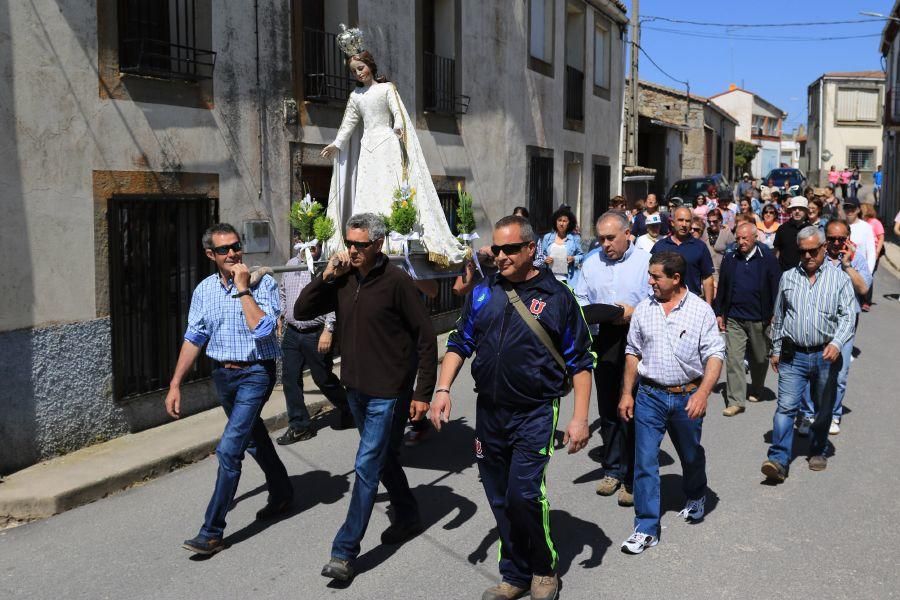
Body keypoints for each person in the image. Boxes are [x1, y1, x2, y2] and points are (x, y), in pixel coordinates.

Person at [430, 215, 594, 600]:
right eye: (496, 248)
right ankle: (515, 574)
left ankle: (543, 569)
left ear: (530, 250)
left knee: (524, 493)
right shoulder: (483, 293)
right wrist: (442, 389)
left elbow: (581, 363)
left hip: (535, 412)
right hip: (490, 413)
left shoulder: (558, 298)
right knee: (499, 495)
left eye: (509, 249)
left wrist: (580, 417)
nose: (499, 255)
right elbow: (459, 343)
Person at [295, 213, 437, 582]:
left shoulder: (398, 282)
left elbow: (426, 338)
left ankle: (344, 552)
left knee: (366, 463)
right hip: (355, 388)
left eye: (360, 245)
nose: (353, 251)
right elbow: (302, 310)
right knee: (384, 457)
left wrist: (423, 393)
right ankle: (407, 515)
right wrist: (327, 274)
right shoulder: (342, 279)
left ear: (378, 244)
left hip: (388, 391)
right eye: (349, 243)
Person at [165, 223, 292, 555]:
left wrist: (243, 289)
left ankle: (211, 532)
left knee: (229, 449)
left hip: (255, 374)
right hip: (223, 375)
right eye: (224, 249)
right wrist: (175, 383)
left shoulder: (261, 282)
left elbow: (265, 330)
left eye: (236, 246)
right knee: (252, 438)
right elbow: (194, 337)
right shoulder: (204, 290)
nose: (233, 253)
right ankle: (282, 492)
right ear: (211, 254)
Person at [320, 43, 466, 265]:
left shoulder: (386, 89)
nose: (359, 73)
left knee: (389, 186)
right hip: (368, 147)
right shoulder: (356, 96)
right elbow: (348, 124)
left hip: (387, 142)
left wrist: (398, 125)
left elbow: (396, 111)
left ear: (370, 65)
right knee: (368, 189)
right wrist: (337, 143)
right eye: (354, 70)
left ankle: (394, 240)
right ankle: (365, 237)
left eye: (361, 67)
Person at [618, 251, 725, 554]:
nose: (649, 281)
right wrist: (627, 392)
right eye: (649, 275)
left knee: (690, 455)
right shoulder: (643, 309)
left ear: (675, 278)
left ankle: (695, 494)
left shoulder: (700, 311)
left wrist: (703, 393)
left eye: (655, 276)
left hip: (687, 397)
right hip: (649, 395)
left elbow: (716, 354)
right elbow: (632, 351)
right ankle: (646, 527)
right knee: (645, 461)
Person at [761, 227, 856, 482]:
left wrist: (836, 343)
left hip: (826, 355)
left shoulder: (839, 279)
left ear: (824, 248)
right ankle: (778, 459)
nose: (808, 256)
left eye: (813, 250)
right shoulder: (788, 277)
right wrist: (776, 349)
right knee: (785, 408)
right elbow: (779, 315)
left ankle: (817, 450)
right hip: (794, 356)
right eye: (803, 251)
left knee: (823, 408)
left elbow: (848, 316)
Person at [574, 211, 652, 506]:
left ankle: (633, 476)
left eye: (611, 238)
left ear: (627, 233)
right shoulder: (591, 262)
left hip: (638, 337)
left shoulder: (645, 261)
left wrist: (633, 311)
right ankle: (613, 469)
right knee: (608, 406)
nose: (605, 244)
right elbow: (581, 299)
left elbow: (657, 298)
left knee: (632, 406)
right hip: (604, 338)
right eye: (601, 238)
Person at [796, 220, 871, 436]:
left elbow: (864, 288)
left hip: (844, 326)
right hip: (817, 324)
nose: (837, 243)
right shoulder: (815, 259)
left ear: (848, 238)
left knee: (839, 374)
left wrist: (847, 265)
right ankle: (808, 414)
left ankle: (833, 414)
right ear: (824, 239)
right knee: (811, 371)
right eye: (832, 239)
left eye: (841, 239)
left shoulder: (857, 260)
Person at [713, 223, 781, 415]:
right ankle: (736, 401)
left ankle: (758, 387)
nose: (741, 242)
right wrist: (719, 312)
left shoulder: (767, 259)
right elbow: (724, 288)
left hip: (760, 318)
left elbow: (777, 287)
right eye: (738, 239)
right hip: (735, 318)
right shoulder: (730, 258)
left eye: (745, 239)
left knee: (760, 358)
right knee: (734, 358)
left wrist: (776, 311)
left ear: (755, 238)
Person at [651, 206, 715, 303]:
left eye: (688, 221)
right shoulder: (659, 246)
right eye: (680, 220)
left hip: (692, 303)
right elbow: (650, 275)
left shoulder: (700, 247)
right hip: (663, 302)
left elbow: (707, 279)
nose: (684, 224)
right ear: (672, 222)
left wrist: (709, 306)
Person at [539, 205, 584, 283]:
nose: (561, 223)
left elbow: (582, 256)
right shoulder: (547, 237)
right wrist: (545, 259)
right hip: (550, 278)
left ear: (569, 223)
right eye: (559, 220)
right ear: (555, 222)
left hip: (569, 279)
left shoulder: (575, 238)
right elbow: (541, 256)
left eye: (564, 221)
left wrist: (573, 258)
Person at [773, 196, 811, 272]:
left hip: (805, 273)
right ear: (790, 210)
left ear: (806, 211)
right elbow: (777, 252)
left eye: (800, 208)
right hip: (784, 273)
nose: (797, 211)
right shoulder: (782, 229)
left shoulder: (811, 230)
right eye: (794, 208)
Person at [842, 197, 877, 277]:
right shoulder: (840, 226)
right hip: (843, 274)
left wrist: (867, 274)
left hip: (860, 273)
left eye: (852, 208)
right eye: (846, 207)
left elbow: (871, 253)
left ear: (858, 210)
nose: (849, 211)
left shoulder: (866, 227)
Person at [858, 202, 883, 312]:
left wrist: (877, 251)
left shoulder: (875, 222)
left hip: (873, 253)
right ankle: (859, 298)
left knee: (869, 275)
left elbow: (881, 237)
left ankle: (866, 301)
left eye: (861, 209)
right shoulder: (861, 223)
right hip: (862, 253)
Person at [704, 209, 736, 282]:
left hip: (723, 272)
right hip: (709, 271)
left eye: (714, 221)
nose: (711, 224)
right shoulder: (705, 232)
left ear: (720, 220)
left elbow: (734, 252)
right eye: (709, 221)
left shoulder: (726, 233)